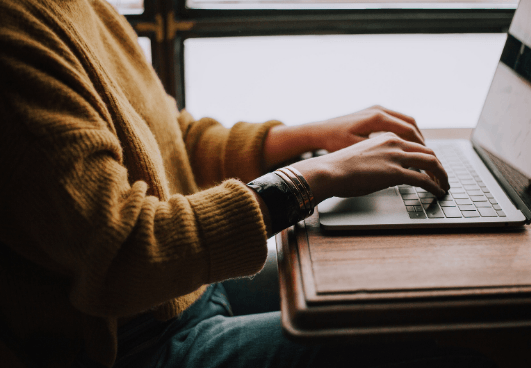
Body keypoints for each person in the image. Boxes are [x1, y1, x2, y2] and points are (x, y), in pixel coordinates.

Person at [0, 1, 497, 367]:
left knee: (405, 291)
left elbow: (173, 138)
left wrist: (313, 135)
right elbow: (127, 252)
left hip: (187, 287)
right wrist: (314, 177)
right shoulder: (15, 35)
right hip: (131, 343)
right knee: (415, 347)